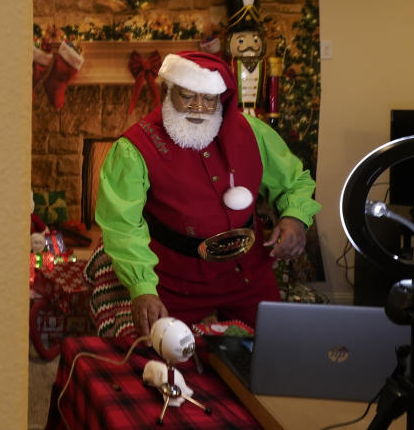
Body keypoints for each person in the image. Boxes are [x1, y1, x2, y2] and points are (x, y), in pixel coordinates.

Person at [95, 50, 321, 337]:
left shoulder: (253, 132)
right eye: (188, 96)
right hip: (175, 282)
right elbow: (121, 224)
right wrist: (142, 289)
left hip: (248, 274)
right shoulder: (133, 149)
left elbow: (295, 181)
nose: (199, 108)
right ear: (168, 91)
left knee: (275, 351)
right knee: (158, 361)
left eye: (209, 99)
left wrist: (295, 217)